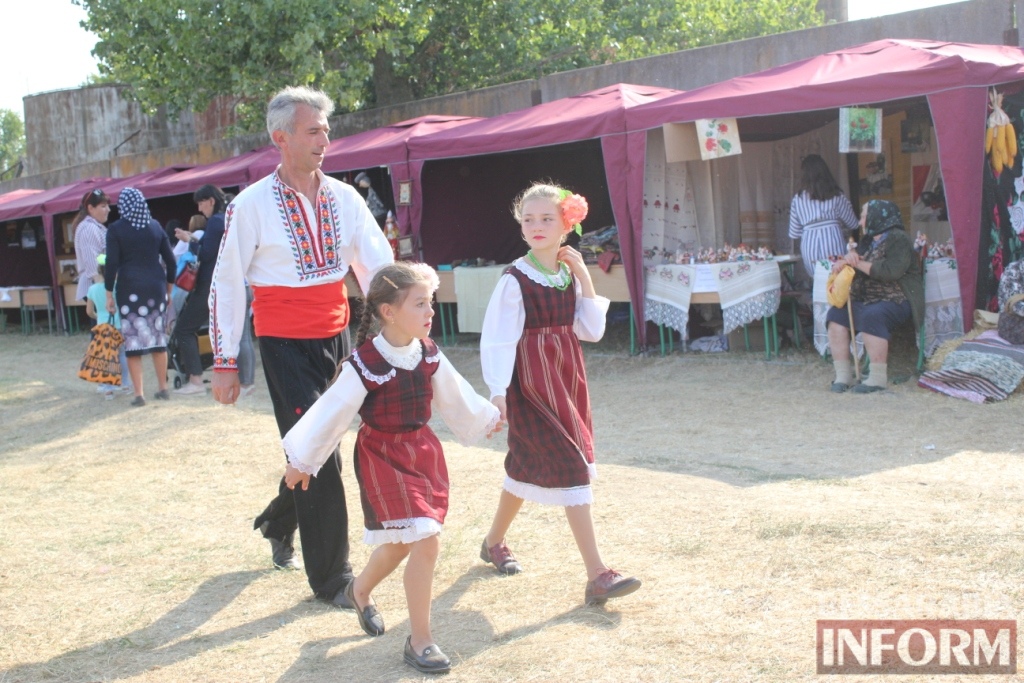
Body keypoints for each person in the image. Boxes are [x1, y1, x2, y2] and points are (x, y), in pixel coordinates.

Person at [209, 86, 393, 608]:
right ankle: (334, 579)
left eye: (326, 130)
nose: (325, 139)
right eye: (314, 130)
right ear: (281, 138)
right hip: (283, 343)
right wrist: (224, 360)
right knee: (319, 452)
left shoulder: (346, 198)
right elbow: (226, 282)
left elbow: (376, 266)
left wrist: (403, 320)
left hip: (337, 336)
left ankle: (277, 520)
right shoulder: (250, 205)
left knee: (321, 446)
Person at [283, 263, 502, 674]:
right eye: (420, 303)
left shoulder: (428, 352)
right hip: (383, 455)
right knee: (426, 539)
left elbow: (455, 394)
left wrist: (485, 417)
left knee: (403, 542)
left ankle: (359, 590)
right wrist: (302, 460)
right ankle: (421, 641)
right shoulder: (364, 363)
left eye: (430, 302)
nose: (430, 311)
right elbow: (332, 413)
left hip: (422, 453)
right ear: (388, 311)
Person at [478, 182, 641, 606]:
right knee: (572, 466)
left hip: (566, 381)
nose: (536, 226)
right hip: (530, 385)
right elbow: (497, 339)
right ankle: (597, 574)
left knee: (524, 464)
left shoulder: (568, 274)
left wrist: (585, 276)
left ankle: (493, 541)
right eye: (528, 219)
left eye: (546, 218)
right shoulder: (515, 278)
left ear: (566, 224)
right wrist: (497, 393)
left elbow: (591, 331)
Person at [826, 200, 924, 393]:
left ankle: (877, 379)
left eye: (863, 216)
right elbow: (856, 262)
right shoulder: (868, 240)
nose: (861, 222)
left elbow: (890, 271)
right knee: (836, 315)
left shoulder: (899, 239)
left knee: (873, 315)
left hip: (896, 299)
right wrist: (845, 262)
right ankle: (844, 375)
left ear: (877, 217)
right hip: (866, 297)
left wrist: (857, 263)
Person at [104, 187, 176, 407]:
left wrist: (108, 294)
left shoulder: (116, 229)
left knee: (133, 341)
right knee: (158, 339)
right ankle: (163, 389)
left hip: (129, 289)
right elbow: (171, 261)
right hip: (156, 288)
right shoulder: (155, 226)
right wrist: (169, 290)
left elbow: (111, 264)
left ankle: (139, 394)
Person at [173, 187, 226, 396]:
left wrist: (189, 243)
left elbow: (205, 254)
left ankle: (195, 380)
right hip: (223, 283)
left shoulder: (214, 222)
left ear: (210, 201)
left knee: (184, 329)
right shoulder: (227, 219)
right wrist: (193, 238)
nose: (199, 207)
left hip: (207, 284)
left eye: (201, 203)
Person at [788, 154, 860, 281]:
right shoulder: (837, 195)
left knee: (819, 283)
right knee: (837, 282)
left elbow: (794, 233)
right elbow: (853, 223)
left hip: (809, 245)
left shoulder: (797, 199)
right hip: (833, 241)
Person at [85, 255, 132, 398]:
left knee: (105, 357)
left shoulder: (93, 289)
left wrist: (98, 316)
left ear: (99, 270)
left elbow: (89, 311)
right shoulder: (119, 286)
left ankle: (108, 388)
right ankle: (125, 384)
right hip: (119, 325)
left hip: (103, 326)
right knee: (122, 355)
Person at [73, 189, 111, 302]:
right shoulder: (89, 228)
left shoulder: (92, 226)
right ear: (90, 208)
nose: (108, 210)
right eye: (103, 206)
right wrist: (103, 291)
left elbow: (99, 257)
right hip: (97, 286)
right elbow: (92, 263)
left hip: (98, 286)